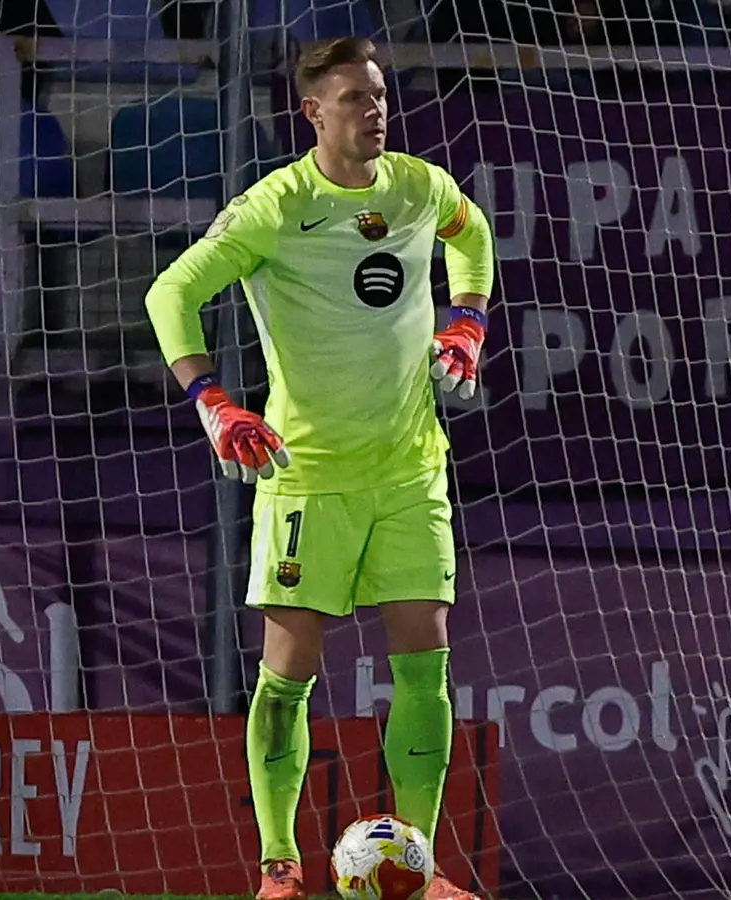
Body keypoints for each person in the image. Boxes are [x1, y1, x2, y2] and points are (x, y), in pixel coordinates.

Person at [142, 35, 496, 900]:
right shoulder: (275, 206)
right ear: (313, 113)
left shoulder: (416, 186)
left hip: (410, 471)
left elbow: (473, 231)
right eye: (353, 99)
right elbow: (171, 293)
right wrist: (214, 402)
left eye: (378, 95)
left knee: (426, 665)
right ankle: (278, 866)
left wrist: (468, 320)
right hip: (307, 476)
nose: (374, 111)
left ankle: (417, 866)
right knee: (288, 676)